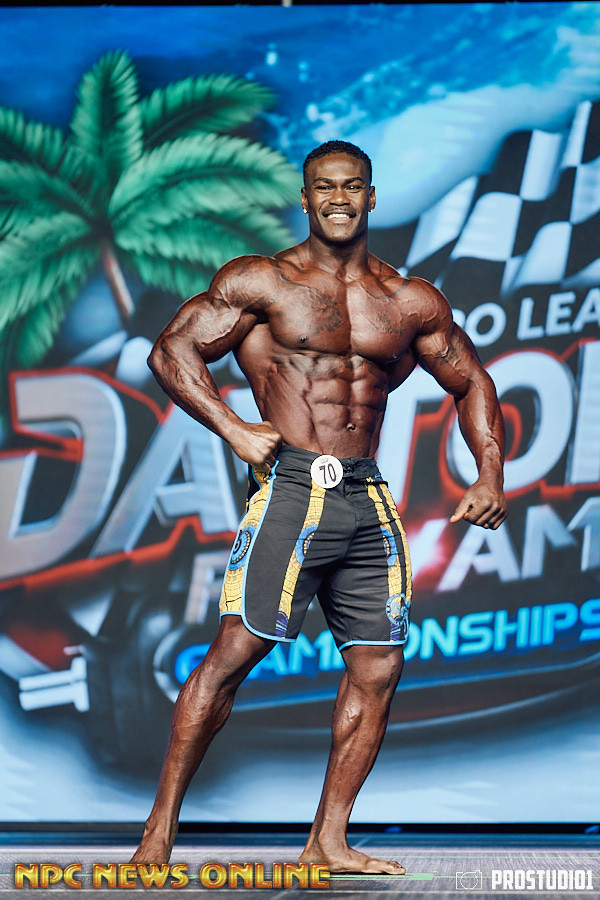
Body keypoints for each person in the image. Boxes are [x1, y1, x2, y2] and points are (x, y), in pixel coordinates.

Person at [131, 140, 507, 874]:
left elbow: (473, 382)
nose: (339, 199)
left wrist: (490, 473)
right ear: (305, 199)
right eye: (325, 188)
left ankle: (327, 840)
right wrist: (233, 427)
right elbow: (170, 350)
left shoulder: (410, 300)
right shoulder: (261, 281)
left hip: (367, 498)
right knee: (232, 658)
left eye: (352, 186)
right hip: (290, 488)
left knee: (379, 668)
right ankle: (159, 830)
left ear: (371, 196)